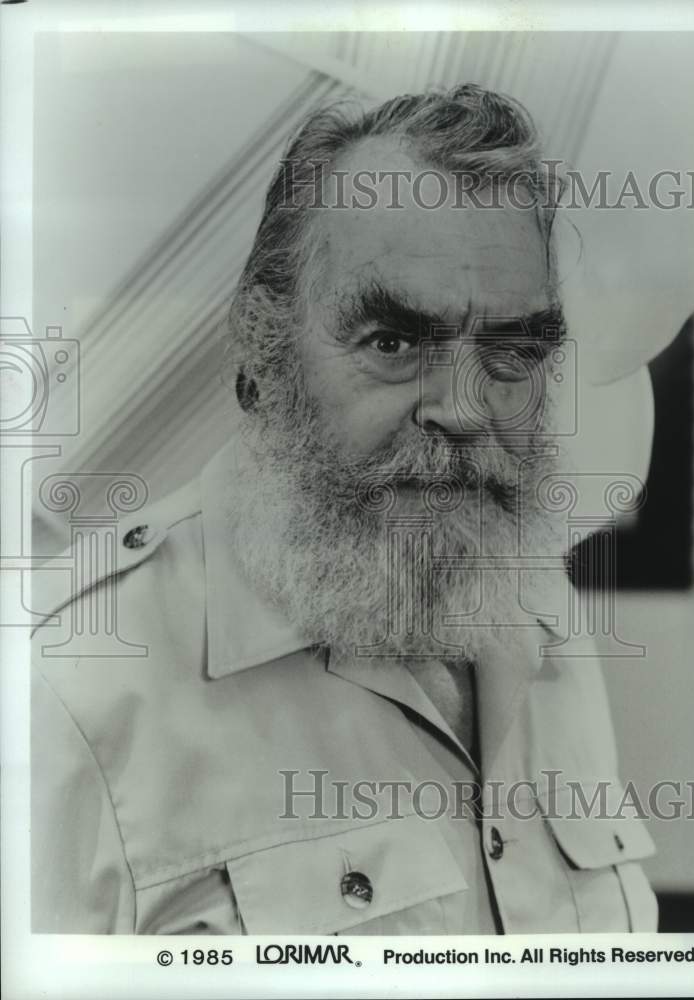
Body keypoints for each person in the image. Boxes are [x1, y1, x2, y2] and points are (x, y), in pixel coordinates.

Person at [31, 84, 661, 934]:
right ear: (263, 341)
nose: (464, 409)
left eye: (510, 351)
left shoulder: (539, 613)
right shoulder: (67, 690)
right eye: (393, 343)